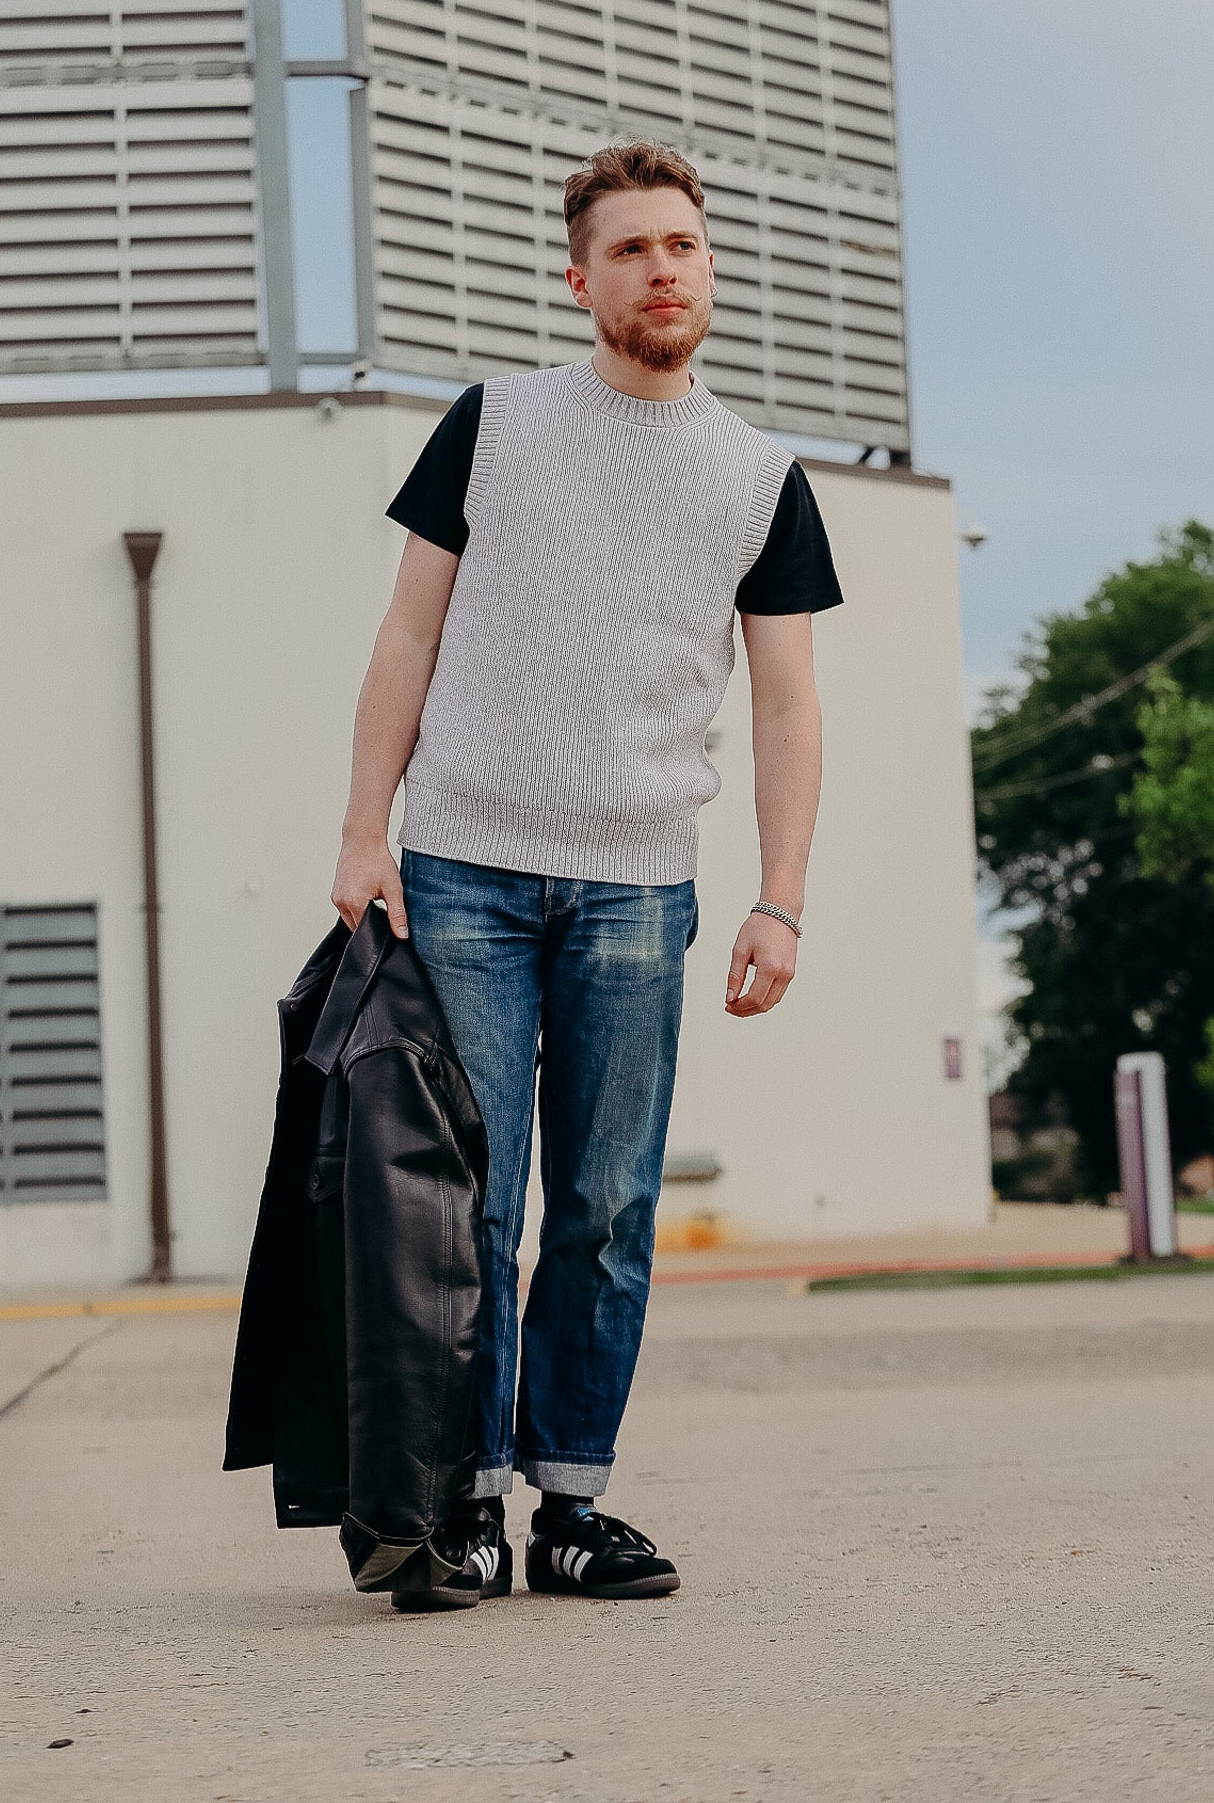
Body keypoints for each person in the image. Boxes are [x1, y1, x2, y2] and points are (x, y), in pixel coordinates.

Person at [331, 140, 842, 1608]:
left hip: (639, 885)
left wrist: (780, 892)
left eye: (680, 244)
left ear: (709, 268)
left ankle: (570, 1502)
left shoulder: (760, 476)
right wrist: (365, 832)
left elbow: (786, 703)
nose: (660, 268)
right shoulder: (489, 426)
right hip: (465, 868)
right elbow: (407, 640)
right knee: (475, 1209)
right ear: (579, 278)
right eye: (629, 249)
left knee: (606, 1209)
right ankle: (469, 1502)